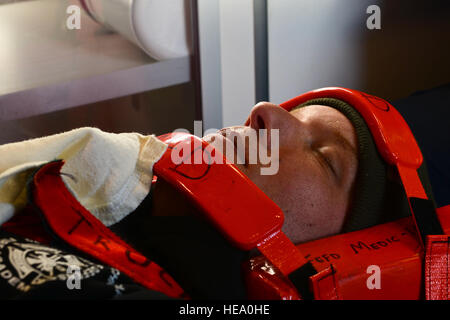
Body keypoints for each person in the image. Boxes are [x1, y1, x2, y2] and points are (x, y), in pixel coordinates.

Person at [0, 85, 446, 299]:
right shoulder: (109, 180)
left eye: (324, 157)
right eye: (296, 115)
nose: (265, 112)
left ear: (341, 251)